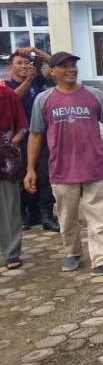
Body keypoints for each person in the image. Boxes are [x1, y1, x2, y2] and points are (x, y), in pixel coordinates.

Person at [25, 52, 103, 276]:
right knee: (67, 217)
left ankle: (101, 259)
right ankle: (72, 252)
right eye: (64, 66)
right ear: (52, 72)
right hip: (61, 170)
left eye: (73, 65)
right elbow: (35, 135)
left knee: (98, 216)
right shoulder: (43, 100)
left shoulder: (94, 95)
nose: (71, 70)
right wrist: (30, 169)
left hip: (94, 167)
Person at [4, 48, 59, 231]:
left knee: (45, 175)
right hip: (19, 139)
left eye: (26, 62)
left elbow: (55, 63)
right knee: (22, 177)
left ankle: (46, 215)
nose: (24, 66)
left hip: (42, 136)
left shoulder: (37, 79)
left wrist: (36, 50)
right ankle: (26, 214)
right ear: (10, 68)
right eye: (19, 63)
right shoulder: (6, 87)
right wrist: (28, 79)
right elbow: (15, 99)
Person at [0, 83, 27, 270]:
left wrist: (13, 141)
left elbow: (22, 126)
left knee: (9, 207)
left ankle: (11, 252)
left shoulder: (7, 94)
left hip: (5, 159)